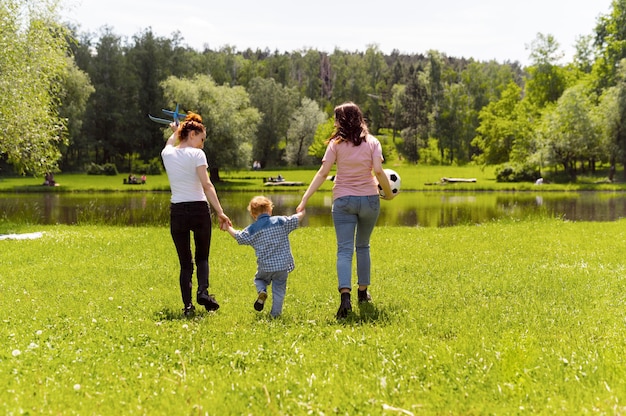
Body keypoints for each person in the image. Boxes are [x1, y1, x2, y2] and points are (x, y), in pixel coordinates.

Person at [296, 102, 395, 319]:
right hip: (369, 200)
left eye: (336, 118)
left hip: (343, 201)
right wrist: (387, 193)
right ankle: (363, 293)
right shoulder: (373, 142)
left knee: (344, 250)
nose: (334, 122)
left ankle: (345, 298)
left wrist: (305, 197)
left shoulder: (335, 144)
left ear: (342, 120)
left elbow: (323, 173)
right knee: (363, 246)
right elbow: (378, 171)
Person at [161, 112, 231, 317]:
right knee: (202, 257)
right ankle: (203, 291)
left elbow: (169, 142)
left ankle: (188, 306)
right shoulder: (197, 155)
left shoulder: (167, 154)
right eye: (201, 139)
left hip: (178, 212)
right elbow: (207, 185)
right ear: (192, 134)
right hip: (199, 209)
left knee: (185, 263)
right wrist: (220, 212)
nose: (202, 144)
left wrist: (175, 132)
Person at [222, 196, 305, 318]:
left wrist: (228, 227)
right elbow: (296, 218)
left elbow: (238, 236)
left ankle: (262, 291)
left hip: (265, 266)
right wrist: (302, 210)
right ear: (270, 210)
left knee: (259, 280)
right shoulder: (280, 221)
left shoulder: (252, 229)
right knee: (279, 290)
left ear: (253, 214)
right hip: (282, 266)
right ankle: (275, 314)